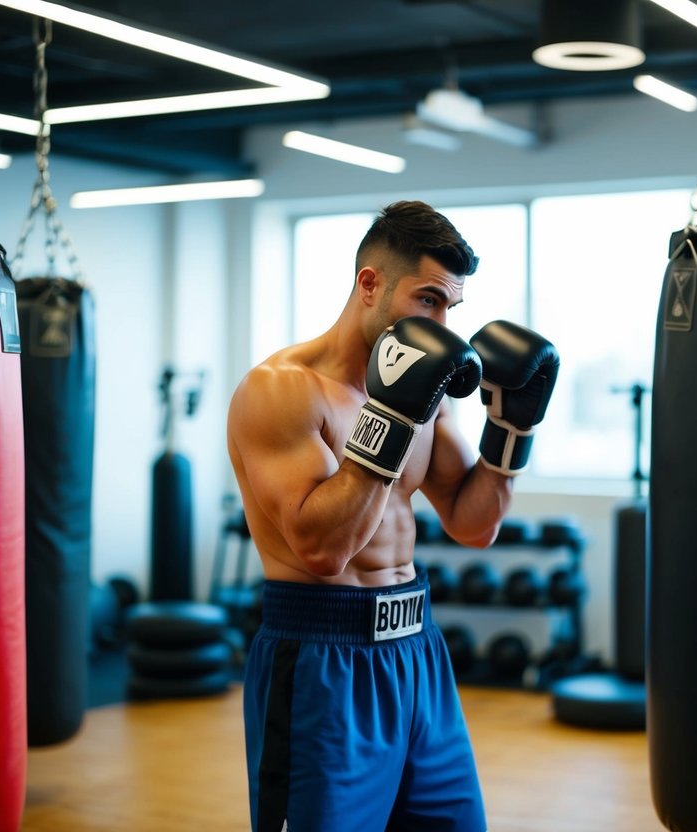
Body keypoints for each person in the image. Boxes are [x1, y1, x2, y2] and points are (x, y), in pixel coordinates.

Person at [226, 200, 559, 832]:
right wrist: (393, 417)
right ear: (370, 283)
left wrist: (511, 428)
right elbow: (323, 552)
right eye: (428, 301)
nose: (441, 325)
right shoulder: (280, 391)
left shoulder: (426, 393)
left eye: (449, 309)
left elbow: (472, 524)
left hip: (418, 654)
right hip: (322, 662)